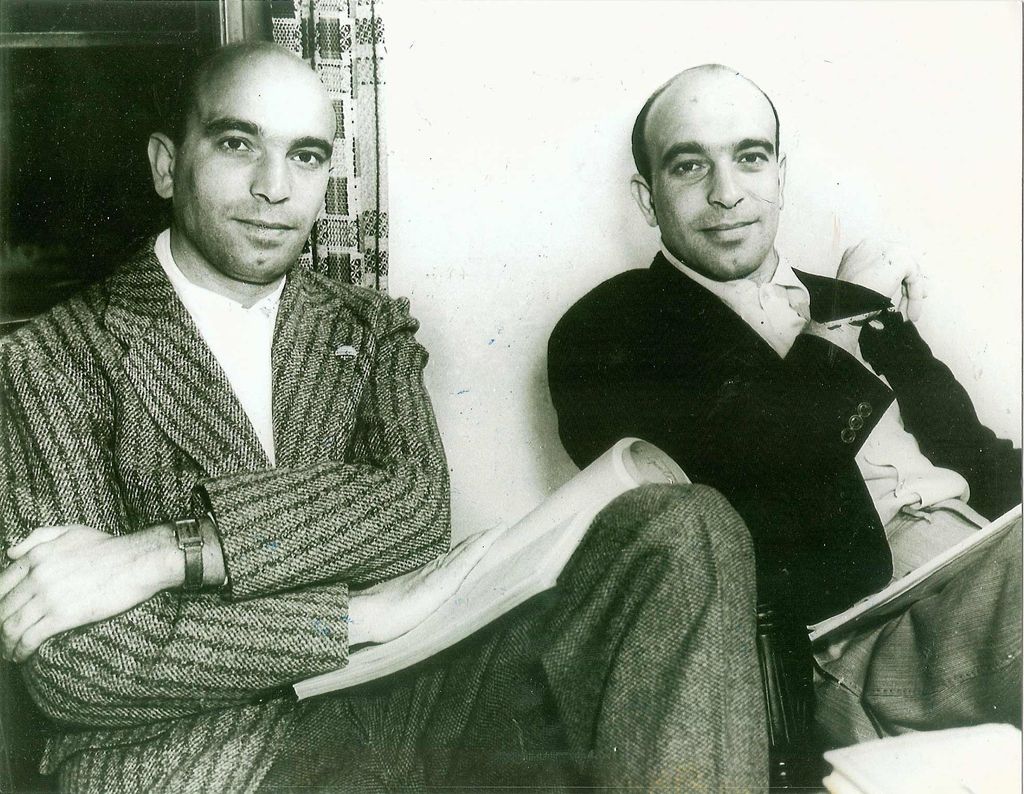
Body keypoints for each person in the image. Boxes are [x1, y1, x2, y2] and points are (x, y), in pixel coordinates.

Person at [0, 44, 769, 792]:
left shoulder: (364, 326)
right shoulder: (51, 356)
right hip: (209, 759)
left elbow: (413, 512)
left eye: (305, 156)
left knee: (685, 528)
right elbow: (78, 666)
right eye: (239, 144)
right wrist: (354, 615)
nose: (275, 188)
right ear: (168, 164)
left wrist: (169, 553)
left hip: (412, 704)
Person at [548, 64, 1022, 746]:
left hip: (986, 564)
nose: (727, 194)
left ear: (780, 175)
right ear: (648, 197)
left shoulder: (847, 300)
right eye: (688, 166)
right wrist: (833, 340)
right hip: (853, 635)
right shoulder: (610, 331)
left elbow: (984, 459)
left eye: (750, 158)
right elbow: (754, 523)